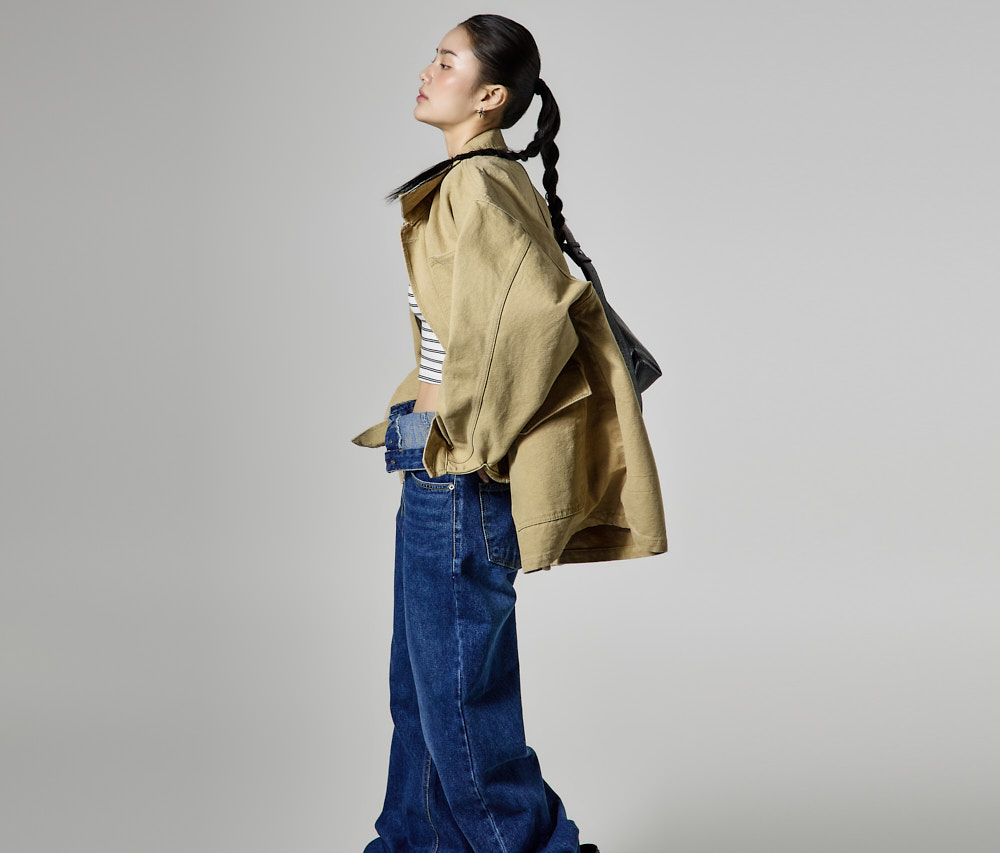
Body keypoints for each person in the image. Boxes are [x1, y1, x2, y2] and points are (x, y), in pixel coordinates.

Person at [352, 13, 668, 853]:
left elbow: (532, 318)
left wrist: (468, 436)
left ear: (490, 97)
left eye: (447, 62)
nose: (427, 72)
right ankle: (414, 844)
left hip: (457, 464)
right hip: (435, 454)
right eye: (432, 57)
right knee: (424, 692)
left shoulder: (477, 185)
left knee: (458, 696)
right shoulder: (477, 179)